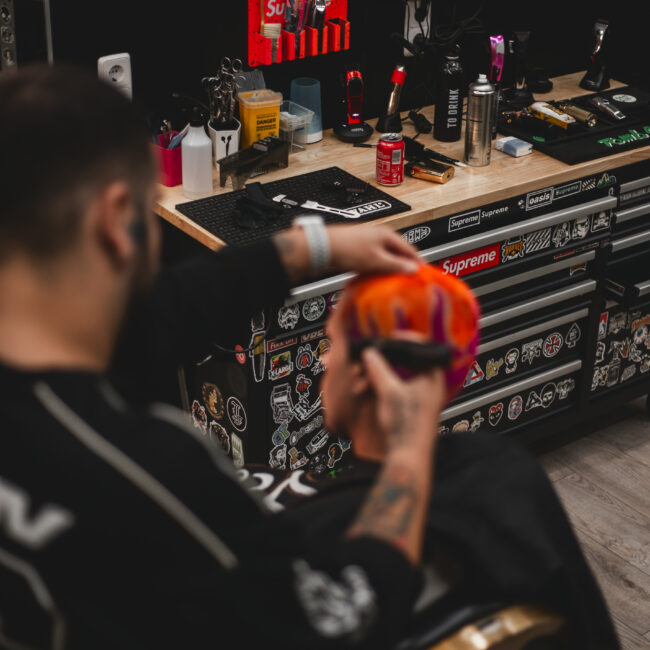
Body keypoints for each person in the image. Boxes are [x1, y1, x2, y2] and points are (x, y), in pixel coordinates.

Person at [0, 64, 455, 649]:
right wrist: (407, 454)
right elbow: (342, 622)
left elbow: (161, 315)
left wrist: (314, 245)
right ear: (115, 221)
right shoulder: (151, 476)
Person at [258, 265, 621, 649]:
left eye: (332, 345)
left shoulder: (312, 530)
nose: (325, 362)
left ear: (367, 370)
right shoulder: (503, 470)